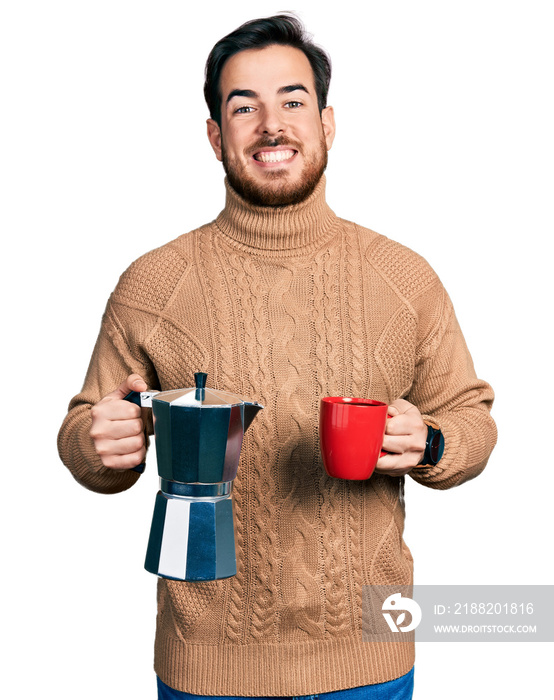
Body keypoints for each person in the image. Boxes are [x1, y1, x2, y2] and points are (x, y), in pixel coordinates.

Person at [58, 14, 497, 700]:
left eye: (292, 102)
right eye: (244, 106)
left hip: (369, 663)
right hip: (206, 669)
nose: (271, 124)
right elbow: (86, 425)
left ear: (327, 124)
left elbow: (472, 418)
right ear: (214, 135)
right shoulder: (153, 283)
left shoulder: (404, 278)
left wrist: (433, 438)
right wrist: (95, 442)